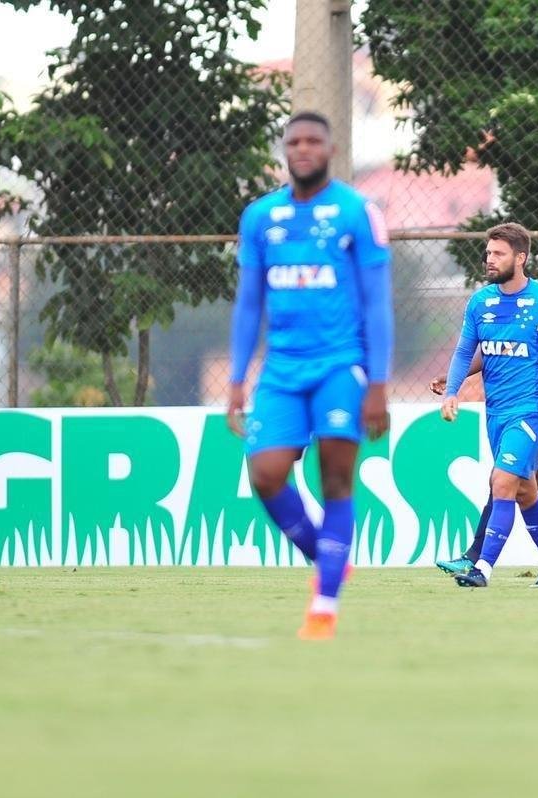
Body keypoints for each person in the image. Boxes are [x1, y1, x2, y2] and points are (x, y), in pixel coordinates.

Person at [227, 111, 393, 639]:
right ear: (285, 149)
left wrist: (379, 383)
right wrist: (236, 378)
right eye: (294, 141)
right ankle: (328, 556)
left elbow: (377, 305)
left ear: (330, 149)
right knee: (266, 473)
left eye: (313, 141)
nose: (303, 149)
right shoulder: (260, 217)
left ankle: (324, 605)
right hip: (280, 370)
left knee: (336, 479)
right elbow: (249, 304)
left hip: (340, 366)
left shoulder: (356, 212)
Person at [441, 222, 538, 588]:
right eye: (488, 252)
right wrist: (452, 390)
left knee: (502, 482)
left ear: (521, 258)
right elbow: (464, 351)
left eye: (498, 253)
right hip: (497, 411)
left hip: (532, 409)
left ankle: (481, 569)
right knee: (525, 489)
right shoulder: (480, 302)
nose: (489, 259)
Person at [428, 357, 538, 576]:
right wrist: (454, 378)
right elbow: (490, 350)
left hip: (532, 406)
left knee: (503, 478)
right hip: (511, 406)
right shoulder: (496, 325)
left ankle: (475, 557)